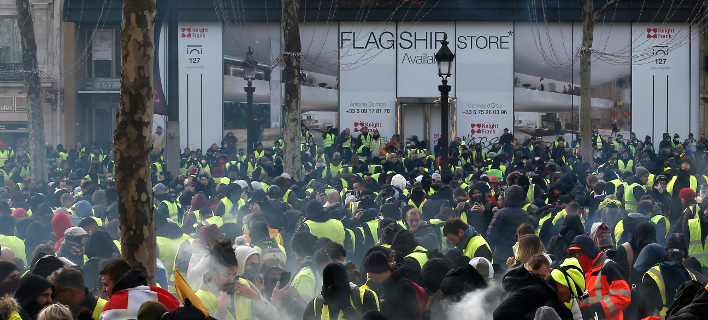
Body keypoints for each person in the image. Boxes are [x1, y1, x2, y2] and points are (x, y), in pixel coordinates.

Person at [194, 239, 276, 320]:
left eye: (234, 274)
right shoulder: (200, 298)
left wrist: (256, 297)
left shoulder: (246, 286)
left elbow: (273, 316)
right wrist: (221, 311)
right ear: (213, 270)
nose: (231, 280)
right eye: (227, 274)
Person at [567, 235, 631, 320]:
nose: (576, 256)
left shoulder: (608, 268)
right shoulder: (576, 272)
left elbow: (622, 297)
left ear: (589, 251)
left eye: (579, 253)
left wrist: (594, 311)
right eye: (573, 254)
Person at [303, 263, 379, 319]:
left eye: (338, 284)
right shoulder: (315, 304)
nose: (333, 290)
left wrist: (348, 309)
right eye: (329, 286)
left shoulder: (364, 297)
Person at [100, 268, 179, 320]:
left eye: (106, 284)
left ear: (116, 283)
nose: (103, 289)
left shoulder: (112, 305)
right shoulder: (161, 294)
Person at [363, 252, 421, 320]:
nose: (369, 275)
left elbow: (410, 316)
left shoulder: (403, 286)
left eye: (369, 271)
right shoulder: (382, 286)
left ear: (377, 270)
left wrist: (383, 305)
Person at [487, 185, 531, 266]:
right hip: (518, 254)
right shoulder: (525, 214)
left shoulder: (501, 213)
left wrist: (493, 245)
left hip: (501, 254)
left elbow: (492, 234)